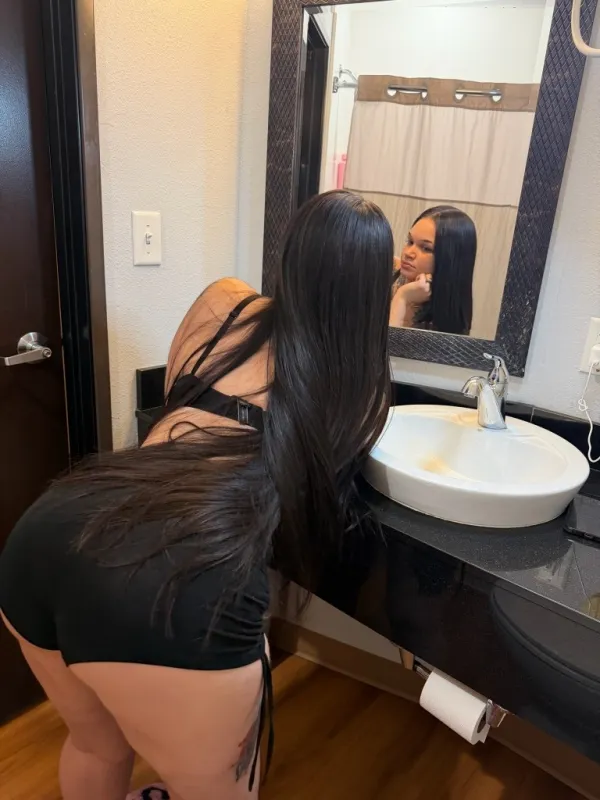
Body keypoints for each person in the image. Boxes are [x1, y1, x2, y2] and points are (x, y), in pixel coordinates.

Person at [0, 190, 394, 800]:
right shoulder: (359, 386)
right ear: (374, 291)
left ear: (289, 253)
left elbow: (178, 404)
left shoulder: (223, 303)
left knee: (96, 744)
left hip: (53, 528)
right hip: (179, 584)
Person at [390, 205, 477, 335]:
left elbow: (386, 346)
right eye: (410, 241)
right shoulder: (388, 270)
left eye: (426, 248)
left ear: (449, 260)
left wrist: (402, 297)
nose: (408, 253)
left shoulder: (443, 321)